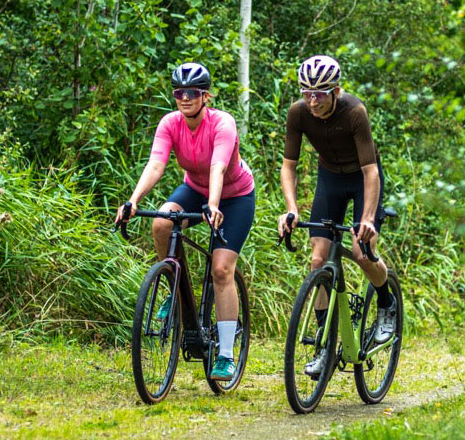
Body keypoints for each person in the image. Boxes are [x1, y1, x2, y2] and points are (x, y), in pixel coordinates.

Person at [115, 62, 255, 382]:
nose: (185, 98)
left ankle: (226, 356)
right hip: (194, 188)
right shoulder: (170, 123)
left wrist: (214, 205)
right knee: (162, 223)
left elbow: (219, 167)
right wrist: (133, 201)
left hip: (234, 197)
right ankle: (175, 291)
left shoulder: (223, 123)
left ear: (205, 96)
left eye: (192, 93)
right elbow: (155, 165)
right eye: (179, 92)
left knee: (221, 269)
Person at [277, 55, 395, 378]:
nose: (312, 100)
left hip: (361, 180)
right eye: (306, 92)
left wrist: (368, 219)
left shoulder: (354, 112)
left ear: (336, 91)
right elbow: (289, 166)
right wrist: (291, 208)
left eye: (320, 93)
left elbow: (371, 173)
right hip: (330, 179)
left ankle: (386, 303)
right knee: (318, 260)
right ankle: (325, 347)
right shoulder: (298, 113)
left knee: (360, 251)